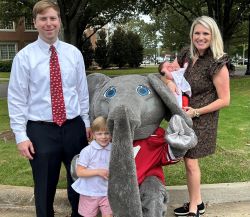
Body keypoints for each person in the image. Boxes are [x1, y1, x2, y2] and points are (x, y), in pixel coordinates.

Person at [7, 1, 91, 216]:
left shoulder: (74, 54)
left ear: (59, 22)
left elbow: (82, 92)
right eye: (43, 19)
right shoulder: (24, 57)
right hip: (40, 130)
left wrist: (86, 123)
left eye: (53, 18)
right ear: (35, 22)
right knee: (44, 186)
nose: (48, 23)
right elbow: (17, 99)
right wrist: (20, 136)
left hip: (74, 127)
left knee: (80, 182)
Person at [162, 16, 231, 217]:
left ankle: (194, 208)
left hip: (203, 118)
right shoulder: (185, 54)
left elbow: (225, 100)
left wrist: (197, 111)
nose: (200, 37)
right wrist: (171, 83)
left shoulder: (218, 63)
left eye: (205, 33)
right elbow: (168, 74)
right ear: (192, 34)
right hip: (184, 116)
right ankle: (197, 202)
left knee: (191, 161)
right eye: (197, 33)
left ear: (213, 36)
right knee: (188, 161)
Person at [72, 116, 113, 217]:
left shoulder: (114, 149)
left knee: (109, 214)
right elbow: (80, 172)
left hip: (107, 191)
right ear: (93, 135)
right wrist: (98, 171)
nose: (104, 137)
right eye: (99, 134)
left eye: (107, 133)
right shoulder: (87, 151)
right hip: (89, 192)